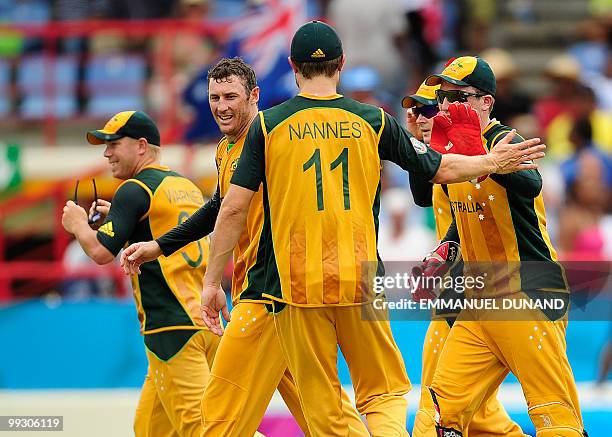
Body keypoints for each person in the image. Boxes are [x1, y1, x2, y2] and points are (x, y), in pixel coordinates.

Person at [198, 21, 546, 436]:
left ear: (293, 66)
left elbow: (232, 209)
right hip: (360, 279)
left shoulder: (267, 126)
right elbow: (438, 168)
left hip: (297, 286)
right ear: (341, 65)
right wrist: (492, 162)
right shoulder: (372, 120)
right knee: (382, 394)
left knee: (323, 401)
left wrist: (212, 280)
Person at [120, 58, 368, 437]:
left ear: (254, 96)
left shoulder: (274, 138)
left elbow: (245, 208)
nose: (221, 106)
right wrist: (159, 246)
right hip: (273, 294)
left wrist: (209, 282)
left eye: (231, 96)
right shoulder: (225, 149)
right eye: (214, 97)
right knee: (320, 408)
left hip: (269, 294)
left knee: (220, 414)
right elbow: (219, 208)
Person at [415, 56, 587, 436]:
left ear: (485, 103)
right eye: (443, 97)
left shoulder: (505, 140)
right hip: (479, 301)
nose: (446, 105)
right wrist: (444, 251)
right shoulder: (450, 152)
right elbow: (458, 212)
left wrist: (484, 158)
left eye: (458, 96)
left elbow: (531, 186)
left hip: (527, 293)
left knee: (554, 418)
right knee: (439, 419)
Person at [61, 111, 219, 437]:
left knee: (205, 430)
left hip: (170, 325)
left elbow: (102, 253)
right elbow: (161, 227)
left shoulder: (133, 189)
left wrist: (77, 225)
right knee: (150, 428)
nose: (107, 153)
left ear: (142, 146)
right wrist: (121, 216)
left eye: (114, 144)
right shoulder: (183, 185)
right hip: (204, 321)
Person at [402, 79, 527, 436]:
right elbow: (424, 199)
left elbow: (469, 217)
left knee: (436, 404)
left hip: (479, 288)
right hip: (464, 288)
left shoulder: (474, 154)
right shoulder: (444, 158)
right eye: (417, 111)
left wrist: (445, 250)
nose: (422, 117)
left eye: (430, 109)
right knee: (483, 418)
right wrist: (419, 145)